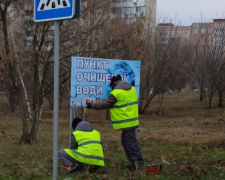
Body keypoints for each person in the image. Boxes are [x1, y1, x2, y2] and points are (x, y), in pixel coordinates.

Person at [86, 74, 144, 171]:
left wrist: (92, 105)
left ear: (113, 83)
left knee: (131, 145)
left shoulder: (116, 93)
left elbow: (105, 104)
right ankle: (134, 165)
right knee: (126, 142)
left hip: (126, 123)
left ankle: (139, 167)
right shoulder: (132, 89)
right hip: (132, 121)